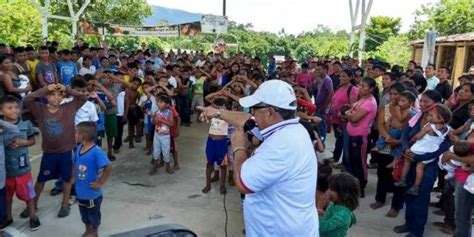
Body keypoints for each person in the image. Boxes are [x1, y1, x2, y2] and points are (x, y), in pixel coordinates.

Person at [198, 79, 318, 236]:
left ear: (270, 113)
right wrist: (217, 112)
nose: (252, 113)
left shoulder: (281, 145)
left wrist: (238, 147)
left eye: (255, 109)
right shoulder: (291, 128)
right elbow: (248, 119)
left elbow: (242, 183)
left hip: (277, 231)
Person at [23, 83, 87, 218]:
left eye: (60, 95)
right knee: (41, 179)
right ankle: (33, 204)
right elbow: (26, 99)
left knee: (67, 178)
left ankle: (65, 203)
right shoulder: (39, 109)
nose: (56, 97)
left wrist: (68, 89)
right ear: (46, 96)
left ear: (64, 97)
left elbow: (83, 98)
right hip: (49, 152)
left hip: (65, 151)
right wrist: (45, 89)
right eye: (52, 94)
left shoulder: (69, 107)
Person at [393, 90, 450, 237]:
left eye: (427, 102)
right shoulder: (416, 118)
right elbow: (405, 134)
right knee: (408, 194)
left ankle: (417, 231)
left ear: (436, 104)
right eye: (422, 101)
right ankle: (408, 223)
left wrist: (423, 157)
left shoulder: (441, 122)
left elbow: (444, 146)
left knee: (421, 197)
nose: (423, 104)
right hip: (409, 160)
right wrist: (406, 149)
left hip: (427, 165)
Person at [0, 96, 40, 231]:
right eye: (9, 108)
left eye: (17, 107)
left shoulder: (26, 124)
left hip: (23, 169)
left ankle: (33, 217)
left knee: (28, 194)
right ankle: (8, 217)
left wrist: (23, 143)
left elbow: (32, 141)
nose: (14, 111)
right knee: (7, 197)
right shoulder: (1, 127)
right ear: (1, 111)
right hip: (5, 171)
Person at [395, 104, 452, 195]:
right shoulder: (448, 129)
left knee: (407, 160)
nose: (429, 117)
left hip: (420, 148)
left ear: (440, 119)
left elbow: (418, 136)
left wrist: (414, 139)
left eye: (431, 115)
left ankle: (403, 179)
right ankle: (416, 186)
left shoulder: (429, 126)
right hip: (431, 151)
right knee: (420, 168)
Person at [370, 83, 409, 218]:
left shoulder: (408, 111)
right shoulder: (385, 109)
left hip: (399, 147)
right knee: (382, 174)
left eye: (396, 94)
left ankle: (396, 206)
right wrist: (388, 138)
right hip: (385, 145)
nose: (392, 97)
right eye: (391, 94)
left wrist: (397, 141)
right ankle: (380, 199)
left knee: (398, 176)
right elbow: (380, 125)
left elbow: (407, 130)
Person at [341, 77, 379, 197]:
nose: (360, 88)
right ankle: (353, 186)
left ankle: (361, 186)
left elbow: (354, 117)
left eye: (364, 86)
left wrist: (348, 114)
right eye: (360, 85)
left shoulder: (370, 102)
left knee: (359, 162)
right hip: (352, 133)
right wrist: (348, 113)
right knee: (352, 161)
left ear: (371, 89)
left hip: (360, 135)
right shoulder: (362, 99)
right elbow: (348, 113)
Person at [73, 121, 112, 237]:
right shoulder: (79, 148)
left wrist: (100, 182)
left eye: (75, 132)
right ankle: (87, 230)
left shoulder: (96, 151)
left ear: (82, 136)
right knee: (84, 214)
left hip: (92, 195)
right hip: (81, 192)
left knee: (93, 215)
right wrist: (72, 177)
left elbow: (108, 166)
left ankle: (94, 232)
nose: (74, 135)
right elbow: (74, 163)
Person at [329, 69, 359, 164]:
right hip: (336, 119)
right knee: (339, 140)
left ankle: (345, 163)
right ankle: (336, 157)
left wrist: (343, 118)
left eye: (344, 76)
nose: (341, 78)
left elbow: (353, 107)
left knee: (346, 142)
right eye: (340, 76)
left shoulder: (353, 90)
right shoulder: (340, 87)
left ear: (350, 78)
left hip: (344, 121)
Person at [202, 98, 229, 195]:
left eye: (216, 106)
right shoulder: (212, 114)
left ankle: (222, 185)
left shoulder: (227, 115)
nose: (214, 108)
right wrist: (205, 114)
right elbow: (201, 120)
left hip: (221, 142)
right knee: (209, 163)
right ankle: (208, 184)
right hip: (211, 141)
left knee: (223, 164)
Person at [319, 173, 359, 237]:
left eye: (331, 189)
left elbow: (323, 227)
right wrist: (323, 214)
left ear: (344, 195)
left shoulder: (342, 214)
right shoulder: (335, 205)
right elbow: (330, 217)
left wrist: (320, 207)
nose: (328, 191)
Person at [0, 114, 20, 230]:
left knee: (2, 208)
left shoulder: (2, 138)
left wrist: (1, 123)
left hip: (1, 180)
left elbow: (14, 130)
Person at [150, 95, 174, 175]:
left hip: (165, 136)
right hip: (157, 134)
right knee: (156, 151)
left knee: (166, 151)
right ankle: (154, 167)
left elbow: (171, 124)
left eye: (161, 102)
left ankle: (168, 166)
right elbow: (153, 123)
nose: (158, 103)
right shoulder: (157, 111)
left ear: (167, 105)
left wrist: (161, 120)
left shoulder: (169, 112)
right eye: (158, 102)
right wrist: (154, 119)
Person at [123, 77, 142, 148]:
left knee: (135, 125)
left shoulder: (137, 93)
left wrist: (136, 105)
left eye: (137, 85)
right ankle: (131, 142)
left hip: (133, 110)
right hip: (127, 110)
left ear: (139, 86)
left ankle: (136, 137)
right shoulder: (128, 91)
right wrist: (125, 114)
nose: (135, 86)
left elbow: (140, 103)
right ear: (131, 83)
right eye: (134, 83)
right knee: (130, 127)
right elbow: (127, 103)